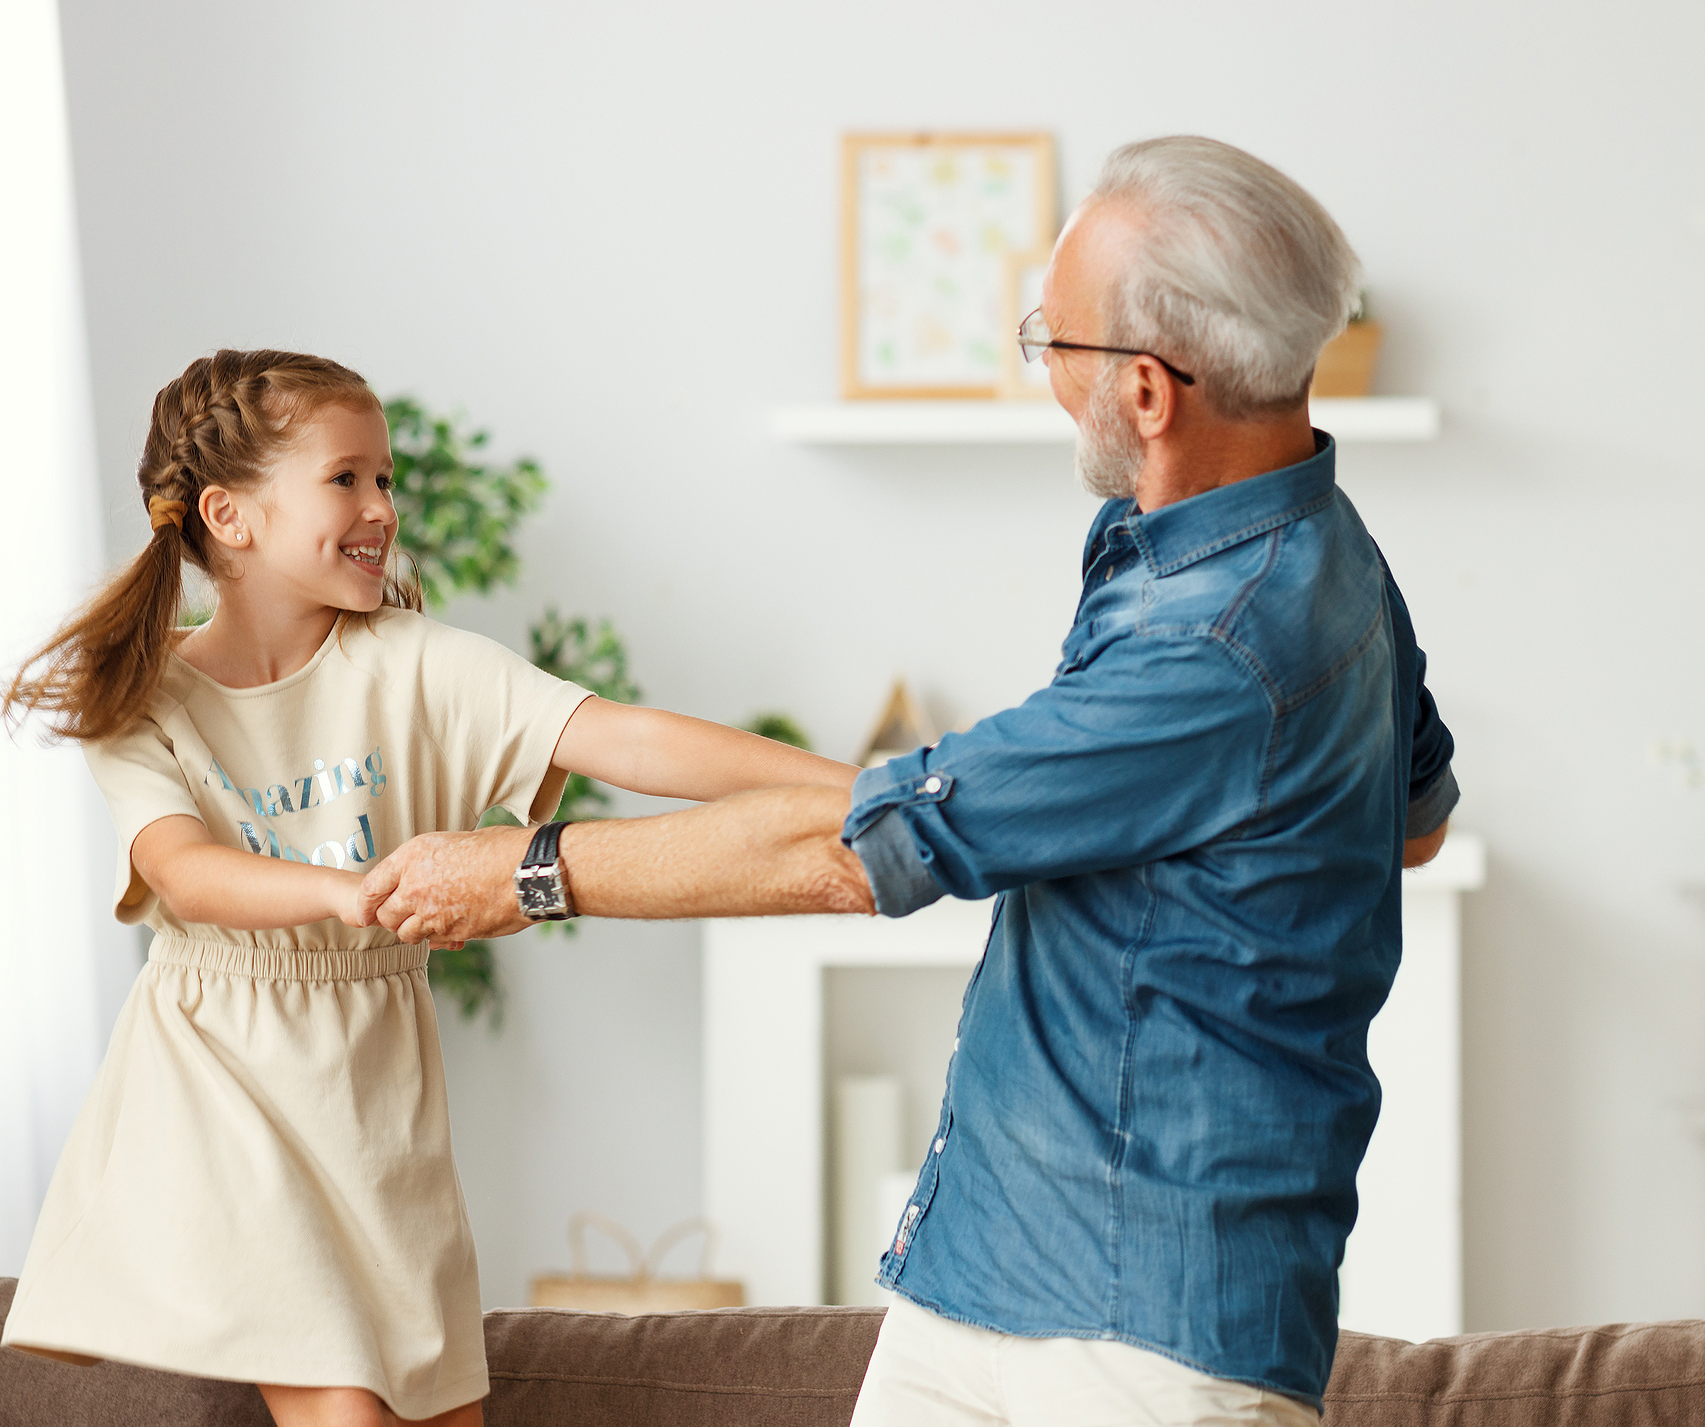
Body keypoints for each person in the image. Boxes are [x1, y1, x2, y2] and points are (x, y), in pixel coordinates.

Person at [360, 136, 1459, 1427]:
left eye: (1055, 338)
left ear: (1151, 394)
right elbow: (1413, 826)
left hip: (1142, 1333)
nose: (1041, 362)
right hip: (984, 1269)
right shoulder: (1295, 548)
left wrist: (528, 871)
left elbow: (855, 856)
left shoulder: (1225, 642)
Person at [0, 349, 859, 1427]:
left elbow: (628, 737)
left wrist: (873, 788)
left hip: (373, 1093)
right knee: (346, 1403)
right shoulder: (143, 694)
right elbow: (184, 871)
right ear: (231, 514)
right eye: (345, 478)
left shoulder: (415, 662)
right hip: (220, 1085)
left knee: (433, 1407)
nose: (380, 508)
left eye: (386, 480)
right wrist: (345, 892)